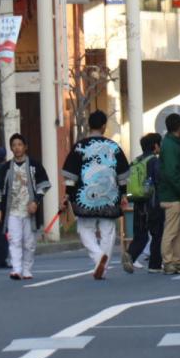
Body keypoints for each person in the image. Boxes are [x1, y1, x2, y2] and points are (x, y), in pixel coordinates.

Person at [62, 110, 131, 280]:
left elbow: (70, 175)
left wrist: (67, 194)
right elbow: (123, 175)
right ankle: (103, 266)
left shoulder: (80, 147)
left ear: (88, 125)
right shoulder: (114, 147)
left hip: (85, 197)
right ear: (103, 126)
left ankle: (98, 257)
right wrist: (123, 194)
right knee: (108, 231)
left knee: (85, 229)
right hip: (110, 196)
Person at [0, 133, 51, 281]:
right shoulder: (5, 169)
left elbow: (44, 185)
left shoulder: (35, 166)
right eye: (14, 145)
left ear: (25, 147)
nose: (17, 148)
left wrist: (36, 201)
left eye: (19, 145)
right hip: (12, 210)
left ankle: (27, 268)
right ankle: (16, 269)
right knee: (14, 240)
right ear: (11, 148)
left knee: (29, 243)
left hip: (30, 211)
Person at [157, 113, 180, 275]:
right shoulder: (171, 146)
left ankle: (178, 260)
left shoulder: (171, 144)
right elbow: (172, 172)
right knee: (172, 230)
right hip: (173, 195)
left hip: (175, 195)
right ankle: (169, 261)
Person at [124, 133, 164, 274]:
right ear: (155, 146)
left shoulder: (135, 161)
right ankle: (155, 265)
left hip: (138, 202)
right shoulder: (153, 161)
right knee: (157, 233)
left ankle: (130, 254)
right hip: (152, 202)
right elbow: (159, 180)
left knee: (141, 234)